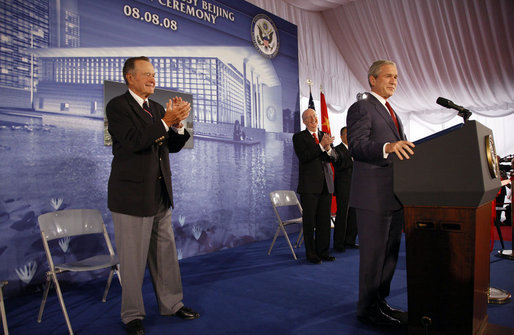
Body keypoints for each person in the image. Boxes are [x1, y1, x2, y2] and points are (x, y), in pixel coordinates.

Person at [106, 56, 199, 335]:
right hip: (131, 197)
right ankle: (132, 315)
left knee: (165, 255)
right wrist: (165, 121)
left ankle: (172, 304)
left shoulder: (157, 107)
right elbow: (134, 141)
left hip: (159, 195)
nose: (152, 79)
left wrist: (178, 124)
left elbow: (171, 147)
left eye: (154, 74)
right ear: (129, 77)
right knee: (133, 261)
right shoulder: (118, 106)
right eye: (146, 74)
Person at [346, 60, 415, 328]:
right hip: (373, 196)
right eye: (388, 76)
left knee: (389, 255)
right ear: (372, 79)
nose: (394, 81)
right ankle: (367, 310)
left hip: (394, 195)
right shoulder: (362, 106)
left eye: (396, 77)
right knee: (374, 256)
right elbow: (358, 146)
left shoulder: (392, 111)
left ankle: (381, 302)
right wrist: (388, 146)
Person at [293, 108, 338, 264]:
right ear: (304, 121)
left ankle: (323, 252)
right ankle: (311, 254)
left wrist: (328, 148)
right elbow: (305, 157)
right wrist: (320, 146)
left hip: (326, 185)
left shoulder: (324, 135)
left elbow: (334, 158)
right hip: (309, 187)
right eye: (308, 117)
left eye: (314, 116)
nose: (313, 119)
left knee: (324, 221)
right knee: (310, 222)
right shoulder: (298, 137)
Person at [333, 126, 358, 252]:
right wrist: (353, 160)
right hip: (343, 187)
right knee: (342, 215)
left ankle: (350, 240)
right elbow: (339, 165)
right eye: (348, 134)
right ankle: (339, 244)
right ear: (342, 136)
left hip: (356, 187)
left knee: (354, 215)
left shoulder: (355, 149)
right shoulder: (337, 150)